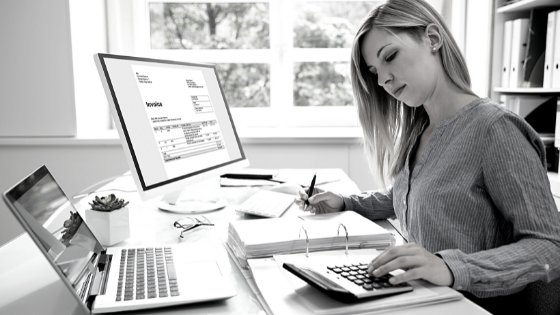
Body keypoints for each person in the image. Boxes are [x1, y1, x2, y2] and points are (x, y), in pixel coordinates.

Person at [294, 0, 560, 313]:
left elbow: (549, 247)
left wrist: (450, 267)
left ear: (432, 38)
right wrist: (348, 203)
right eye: (374, 72)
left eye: (390, 56)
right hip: (423, 300)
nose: (383, 81)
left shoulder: (494, 129)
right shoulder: (421, 129)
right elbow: (416, 196)